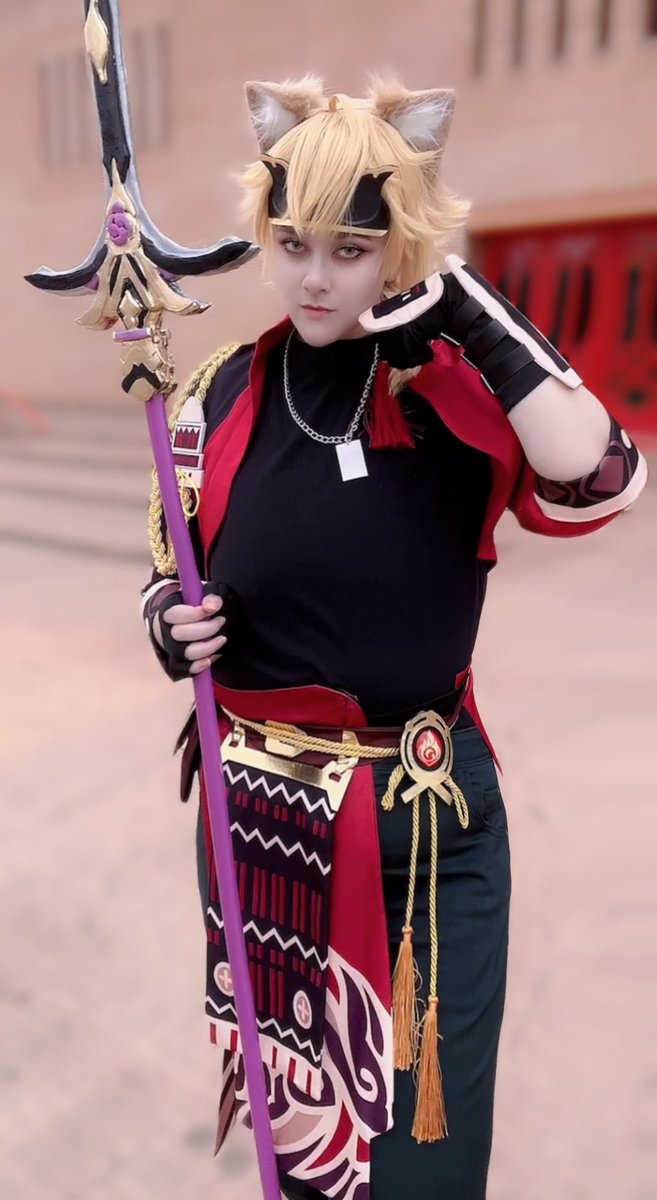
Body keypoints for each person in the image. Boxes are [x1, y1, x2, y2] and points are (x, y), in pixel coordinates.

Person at [140, 77, 647, 1200]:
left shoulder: (455, 385)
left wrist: (467, 309)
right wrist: (171, 625)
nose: (316, 278)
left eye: (352, 249)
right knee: (305, 1156)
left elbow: (600, 476)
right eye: (294, 245)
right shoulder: (218, 395)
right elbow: (171, 563)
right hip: (268, 822)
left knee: (428, 1168)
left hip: (431, 826)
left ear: (400, 245)